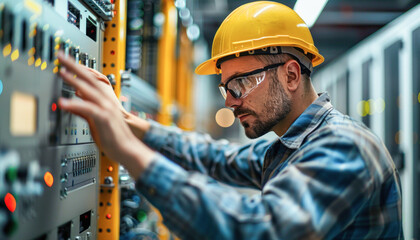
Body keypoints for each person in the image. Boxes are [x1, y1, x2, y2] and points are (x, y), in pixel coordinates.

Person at [57, 1, 403, 239]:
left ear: (292, 75)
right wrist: (129, 122)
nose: (229, 100)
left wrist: (127, 151)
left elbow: (258, 231)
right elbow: (214, 157)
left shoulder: (344, 147)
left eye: (240, 83)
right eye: (225, 86)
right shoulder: (290, 148)